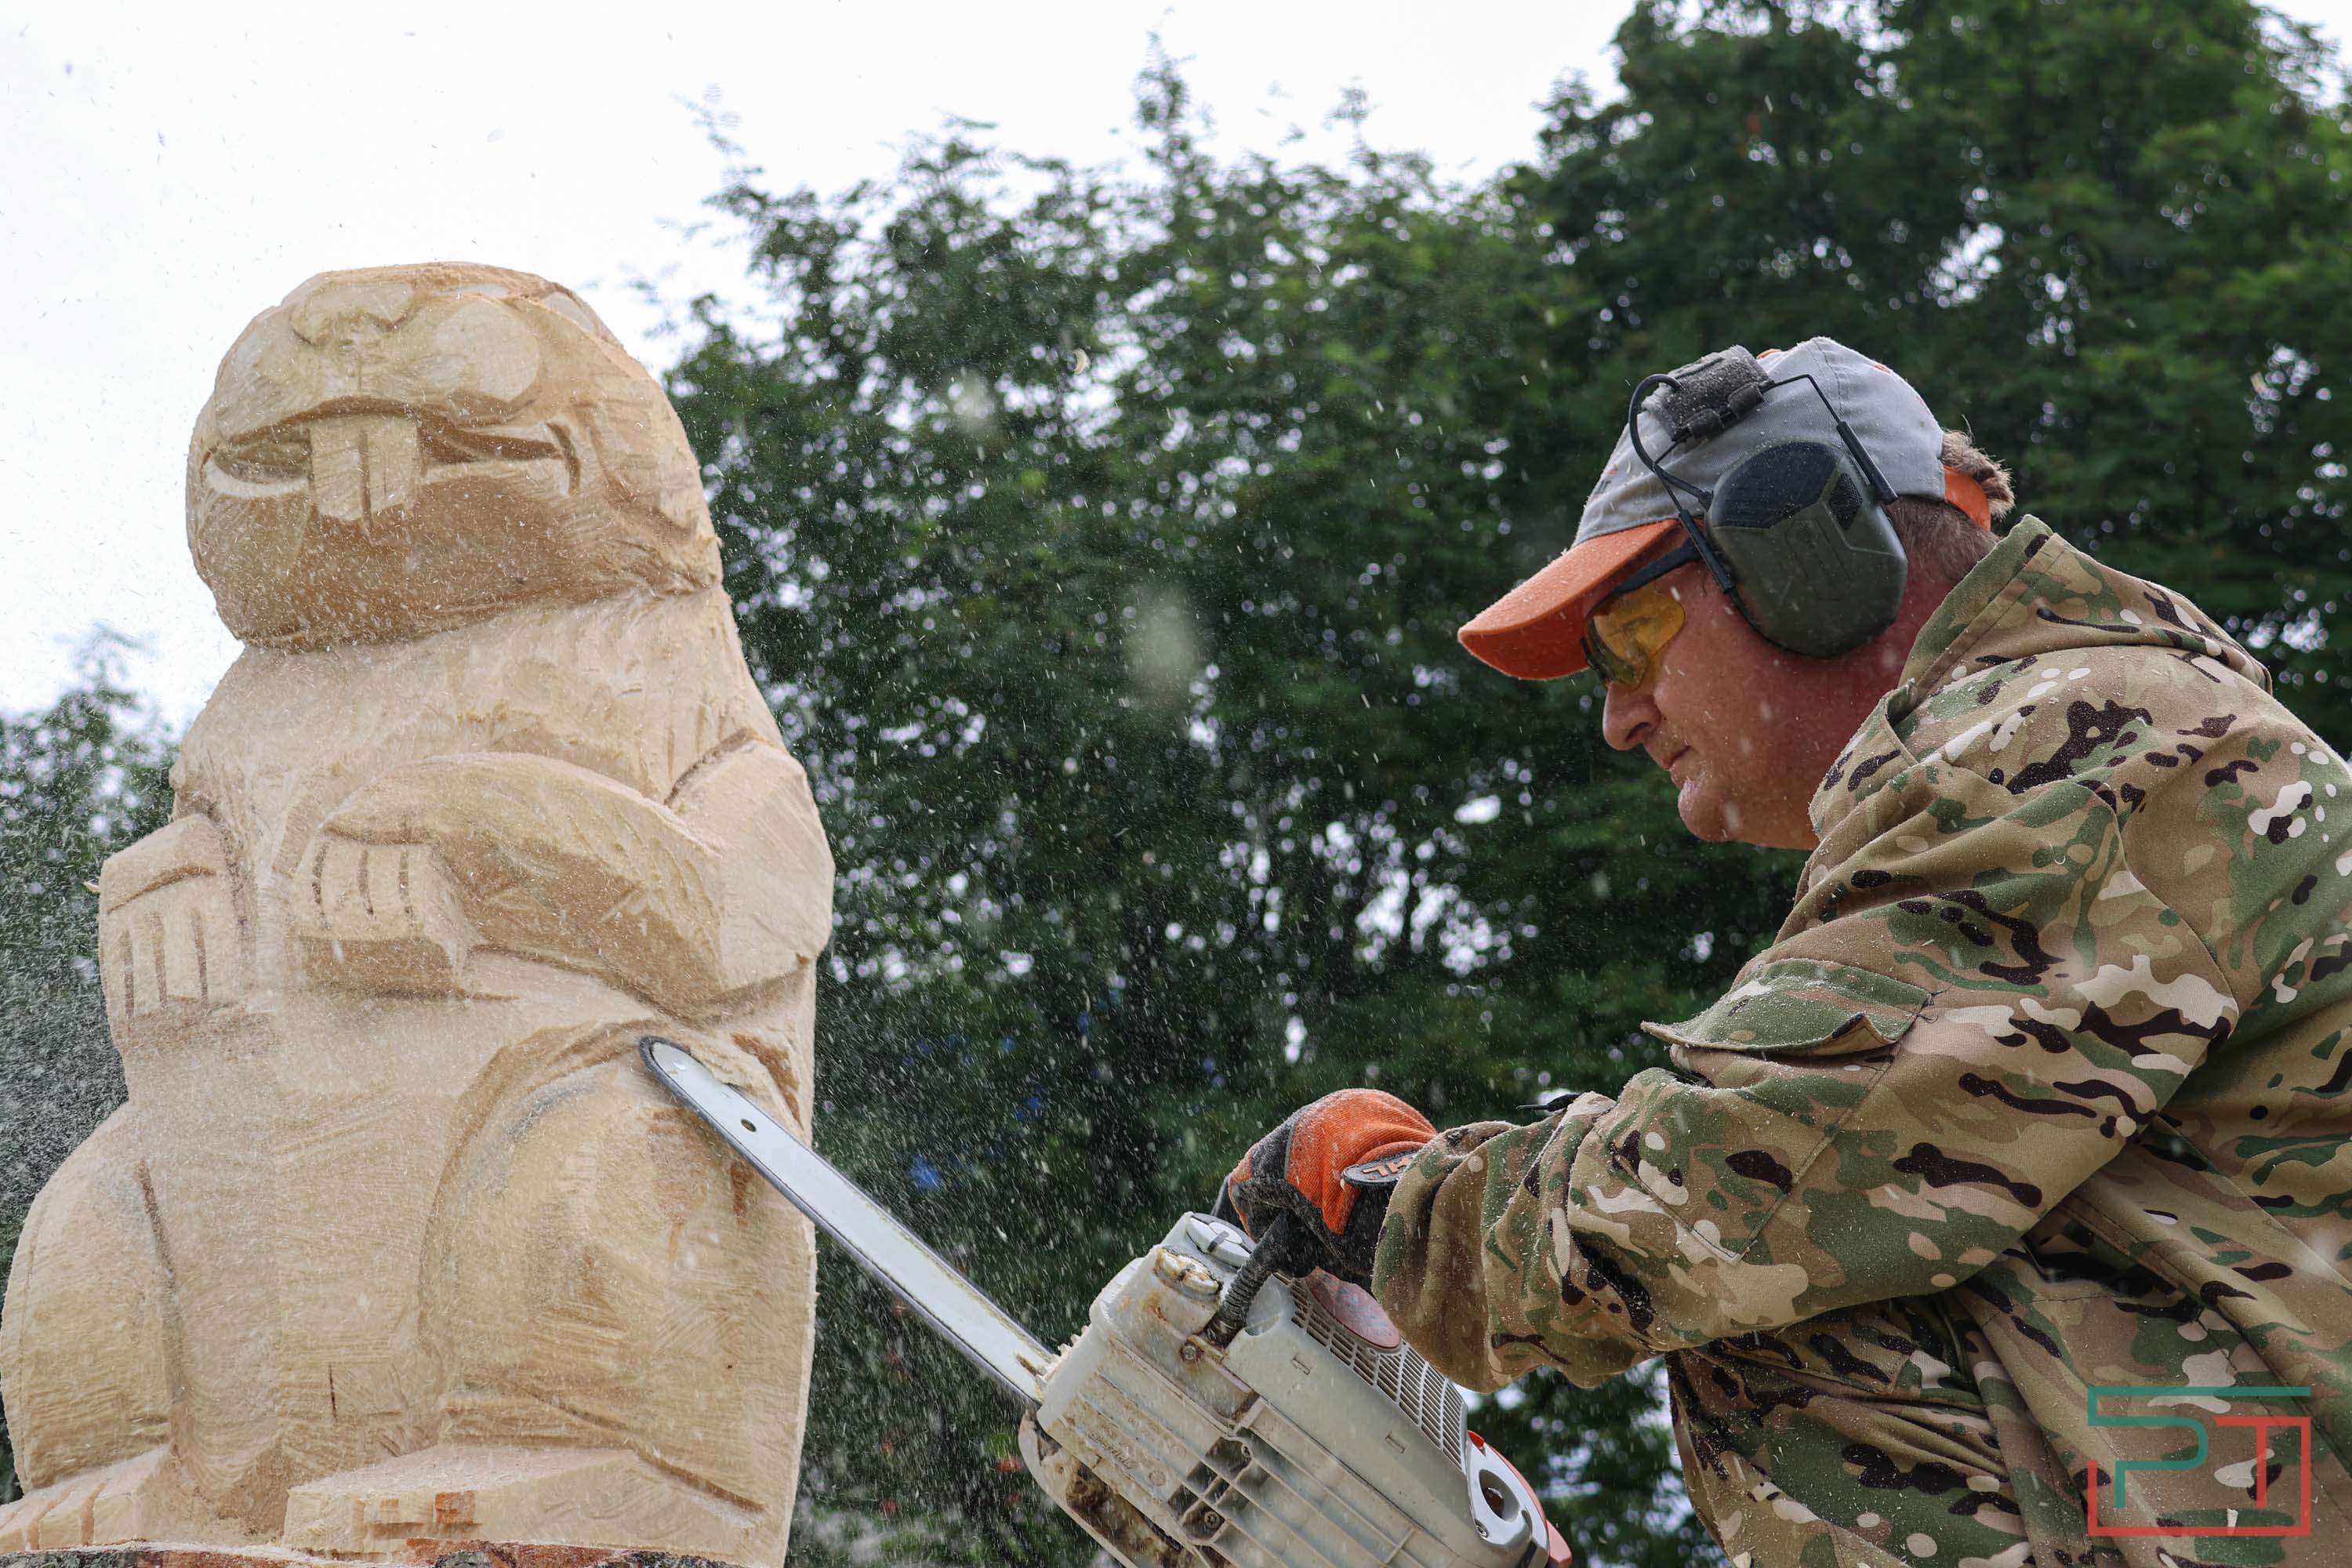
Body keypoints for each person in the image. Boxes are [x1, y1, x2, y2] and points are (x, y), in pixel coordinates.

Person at [1215, 338, 2352, 1566]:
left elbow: (1748, 1182)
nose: (1616, 716)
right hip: (2274, 1478)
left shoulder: (2076, 742)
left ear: (1806, 563)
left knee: (1779, 1322)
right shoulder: (2108, 721)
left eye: (1632, 635)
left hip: (2288, 1497)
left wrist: (1392, 1215)